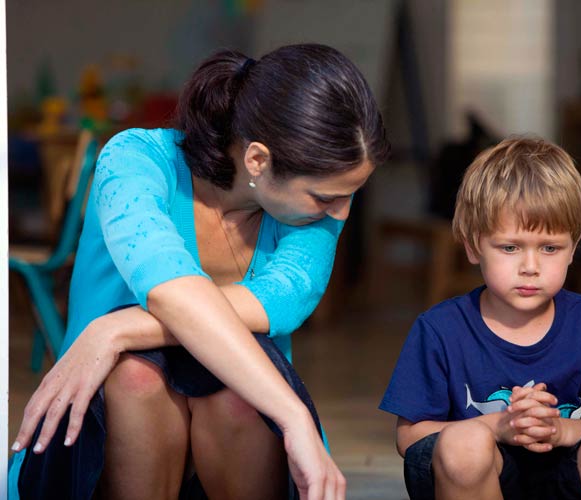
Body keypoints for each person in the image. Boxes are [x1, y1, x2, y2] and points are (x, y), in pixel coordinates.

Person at [9, 43, 389, 500]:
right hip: (108, 427)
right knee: (136, 377)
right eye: (325, 196)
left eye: (352, 194)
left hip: (240, 428)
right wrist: (293, 416)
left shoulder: (313, 219)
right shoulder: (136, 162)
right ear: (258, 160)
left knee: (236, 394)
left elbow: (282, 303)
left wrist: (117, 328)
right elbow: (170, 289)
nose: (341, 214)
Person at [379, 136, 581, 500]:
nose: (531, 267)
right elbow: (409, 438)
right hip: (475, 476)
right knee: (464, 443)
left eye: (550, 248)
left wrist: (558, 430)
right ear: (473, 246)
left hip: (570, 476)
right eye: (510, 247)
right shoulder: (440, 329)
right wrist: (499, 425)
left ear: (573, 249)